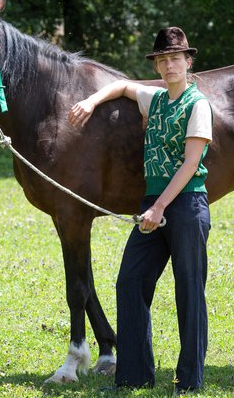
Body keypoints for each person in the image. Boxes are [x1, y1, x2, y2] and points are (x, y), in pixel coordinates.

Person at [68, 26, 213, 394]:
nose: (168, 65)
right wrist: (92, 101)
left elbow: (190, 164)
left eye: (174, 58)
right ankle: (134, 375)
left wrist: (159, 206)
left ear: (188, 61)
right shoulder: (156, 98)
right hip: (154, 205)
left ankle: (189, 381)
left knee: (189, 291)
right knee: (130, 283)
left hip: (185, 206)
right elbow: (123, 86)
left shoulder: (198, 105)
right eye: (162, 60)